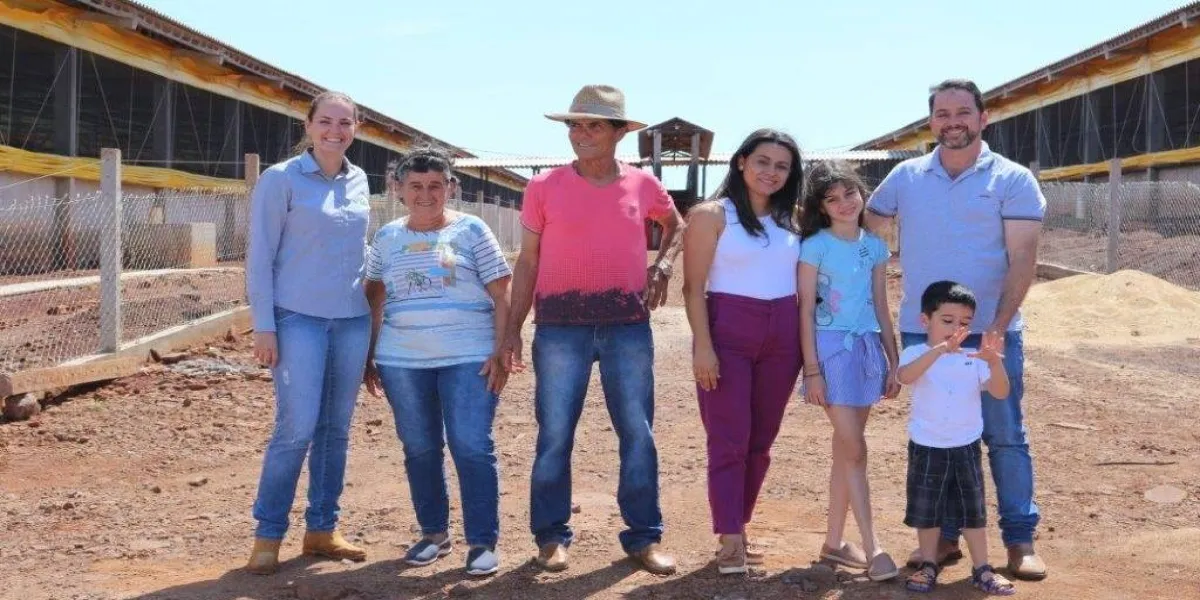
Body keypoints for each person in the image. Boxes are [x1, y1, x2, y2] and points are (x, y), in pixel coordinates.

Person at [865, 78, 1048, 581]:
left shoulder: (1012, 180)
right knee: (939, 434)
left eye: (963, 112)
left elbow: (1024, 257)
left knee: (1004, 434)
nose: (953, 123)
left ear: (983, 118)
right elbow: (861, 225)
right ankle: (945, 538)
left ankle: (1019, 539)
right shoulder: (905, 177)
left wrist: (998, 327)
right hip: (923, 333)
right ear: (931, 122)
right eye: (942, 114)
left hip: (988, 333)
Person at [500, 84, 684, 575]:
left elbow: (676, 225)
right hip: (560, 328)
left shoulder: (643, 184)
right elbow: (528, 261)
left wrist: (663, 265)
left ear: (619, 132)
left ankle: (644, 537)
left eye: (594, 125)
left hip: (627, 326)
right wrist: (514, 327)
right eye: (574, 125)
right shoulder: (543, 187)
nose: (580, 134)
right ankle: (551, 536)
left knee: (637, 432)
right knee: (555, 434)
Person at [363, 147, 512, 577]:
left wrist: (501, 349)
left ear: (451, 187)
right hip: (401, 361)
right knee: (419, 447)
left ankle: (481, 542)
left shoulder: (472, 230)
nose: (425, 195)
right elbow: (374, 298)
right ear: (398, 188)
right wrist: (368, 357)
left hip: (469, 357)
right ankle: (434, 534)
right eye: (415, 186)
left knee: (471, 445)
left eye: (435, 185)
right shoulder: (387, 238)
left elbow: (502, 292)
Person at [244, 91, 372, 574]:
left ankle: (322, 528)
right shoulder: (281, 179)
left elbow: (360, 252)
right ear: (308, 124)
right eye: (326, 121)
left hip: (351, 320)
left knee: (335, 430)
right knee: (296, 427)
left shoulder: (360, 180)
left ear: (355, 128)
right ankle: (268, 534)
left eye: (345, 123)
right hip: (298, 318)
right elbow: (260, 256)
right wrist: (264, 325)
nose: (335, 131)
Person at [681, 129, 803, 574]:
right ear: (741, 162)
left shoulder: (795, 219)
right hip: (728, 330)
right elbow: (693, 287)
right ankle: (729, 538)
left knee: (761, 441)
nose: (771, 172)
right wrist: (703, 347)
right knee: (728, 438)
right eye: (762, 161)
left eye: (782, 166)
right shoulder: (711, 215)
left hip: (784, 336)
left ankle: (739, 524)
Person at [797, 161, 899, 581]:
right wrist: (812, 370)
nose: (844, 203)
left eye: (850, 193)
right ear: (821, 207)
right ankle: (874, 548)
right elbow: (805, 309)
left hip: (867, 350)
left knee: (846, 449)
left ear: (862, 194)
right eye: (832, 198)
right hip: (830, 352)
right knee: (856, 448)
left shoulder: (874, 246)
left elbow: (881, 305)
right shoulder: (815, 246)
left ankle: (833, 543)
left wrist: (894, 361)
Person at [896, 281, 1016, 596]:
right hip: (927, 446)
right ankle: (928, 565)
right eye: (947, 320)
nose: (955, 329)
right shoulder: (916, 353)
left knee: (972, 511)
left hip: (965, 447)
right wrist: (939, 351)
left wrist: (994, 361)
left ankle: (982, 568)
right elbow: (905, 377)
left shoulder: (973, 358)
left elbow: (1000, 392)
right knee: (927, 510)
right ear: (925, 320)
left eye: (964, 323)